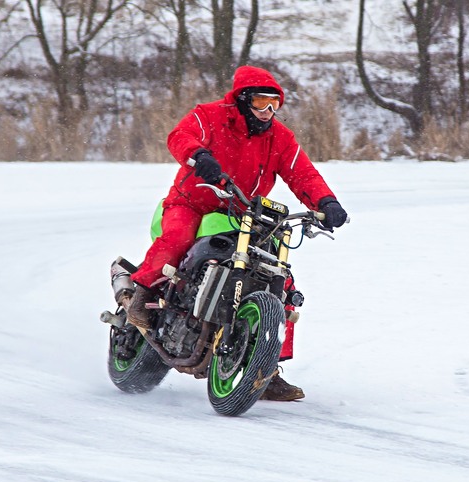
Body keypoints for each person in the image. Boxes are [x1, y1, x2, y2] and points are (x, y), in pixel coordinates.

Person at [126, 65, 348, 401]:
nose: (268, 111)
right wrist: (198, 155)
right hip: (193, 203)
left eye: (274, 104)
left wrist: (327, 201)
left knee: (280, 281)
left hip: (244, 213)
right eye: (261, 102)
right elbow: (179, 136)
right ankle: (140, 297)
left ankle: (267, 370)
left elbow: (303, 174)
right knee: (178, 239)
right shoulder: (210, 116)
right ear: (243, 99)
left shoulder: (280, 138)